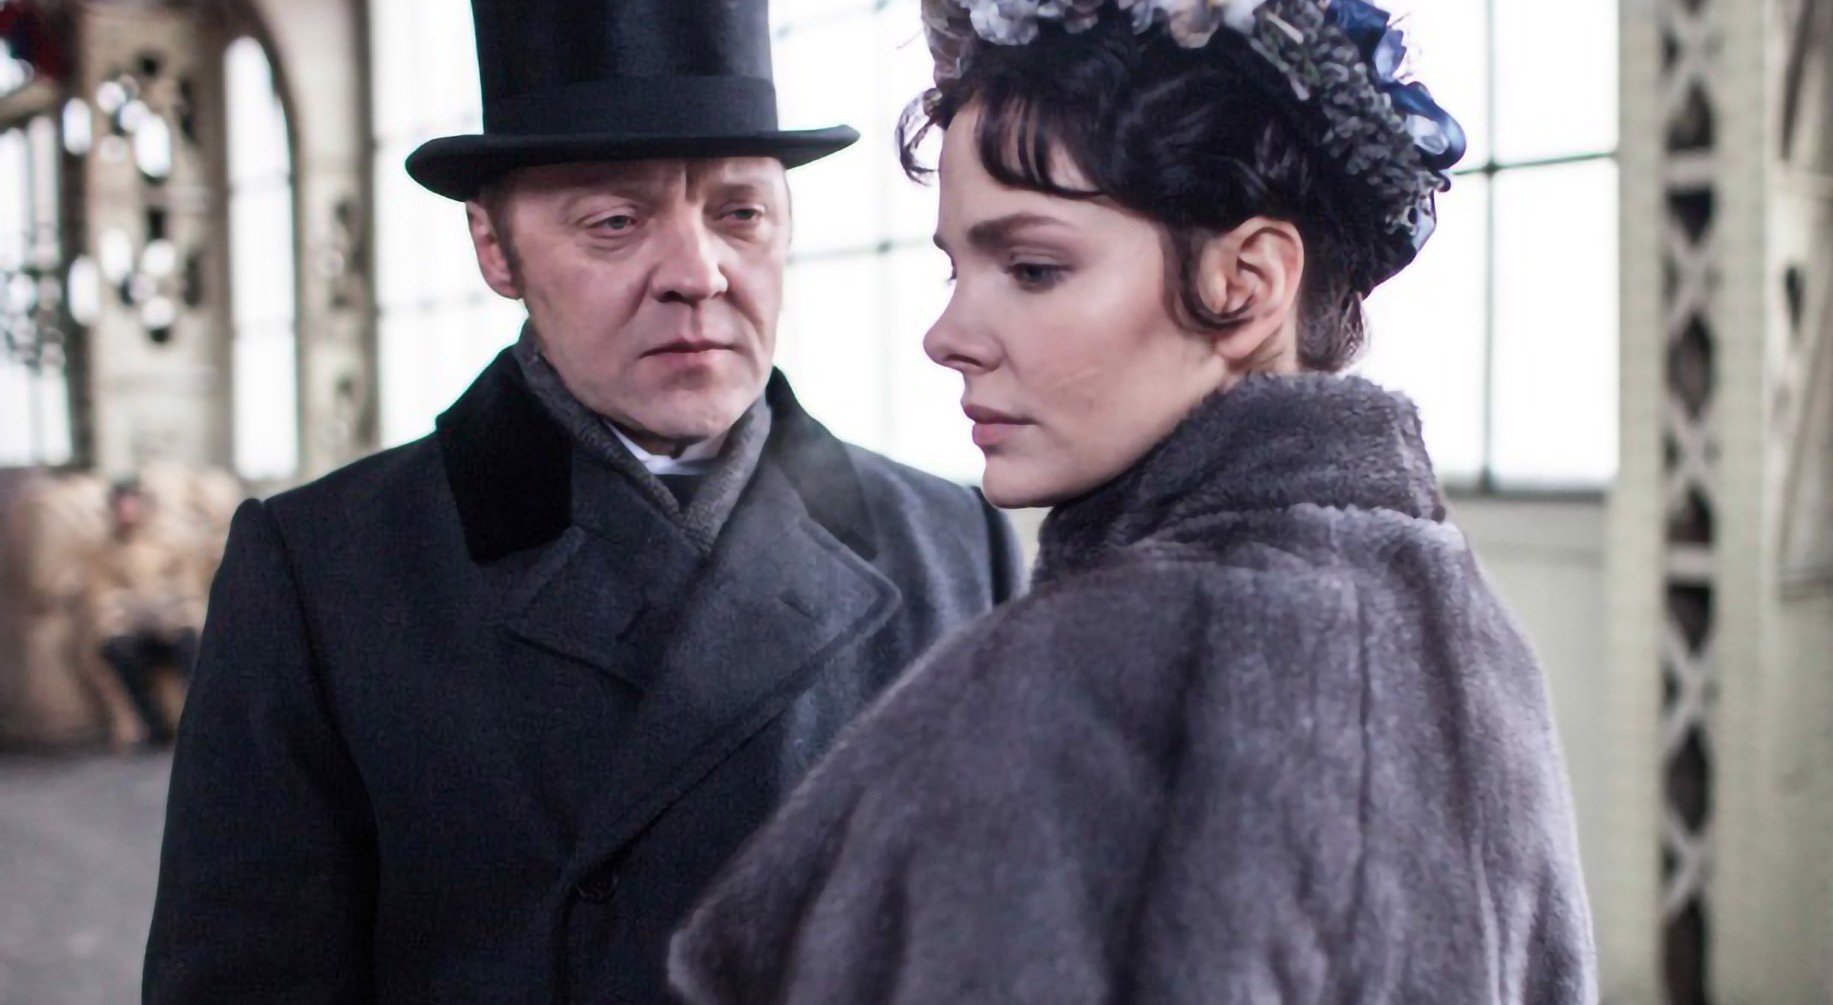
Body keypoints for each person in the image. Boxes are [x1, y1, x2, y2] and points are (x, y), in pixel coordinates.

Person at [672, 1, 1597, 1001]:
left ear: (1245, 282)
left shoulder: (1054, 692)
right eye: (954, 267)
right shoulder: (1473, 646)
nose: (946, 336)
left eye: (1033, 268)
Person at [143, 2, 1020, 1002]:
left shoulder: (955, 544)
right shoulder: (322, 571)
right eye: (615, 222)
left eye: (739, 214)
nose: (698, 274)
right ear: (495, 248)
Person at [83, 479, 204, 747]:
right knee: (118, 651)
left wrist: (177, 617)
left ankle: (201, 722)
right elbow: (102, 599)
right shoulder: (103, 552)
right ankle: (156, 727)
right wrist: (122, 622)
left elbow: (189, 590)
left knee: (192, 648)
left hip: (173, 625)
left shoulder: (172, 544)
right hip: (132, 629)